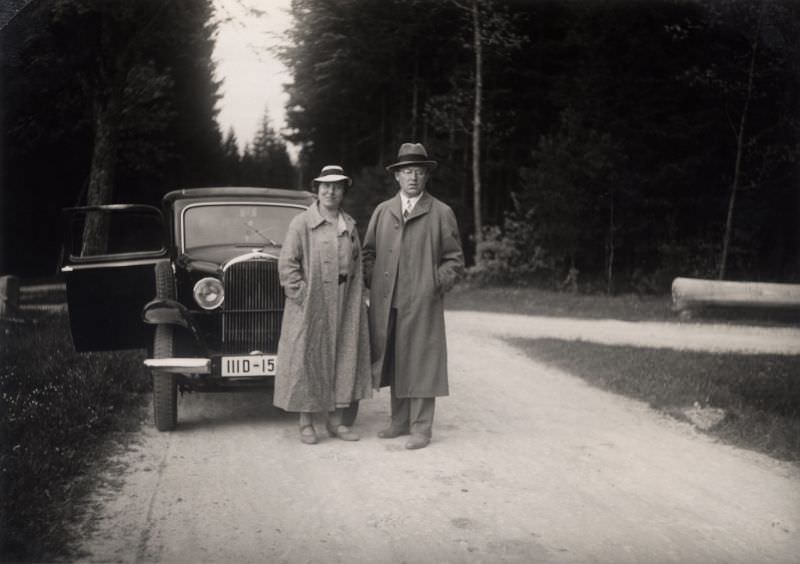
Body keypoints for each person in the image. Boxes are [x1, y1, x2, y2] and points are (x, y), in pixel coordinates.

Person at [363, 143, 464, 450]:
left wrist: (433, 283)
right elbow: (368, 253)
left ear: (426, 176)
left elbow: (455, 261)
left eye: (419, 172)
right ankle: (399, 421)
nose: (413, 178)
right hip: (387, 302)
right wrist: (375, 282)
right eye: (407, 172)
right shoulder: (383, 211)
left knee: (421, 362)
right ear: (397, 177)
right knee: (394, 359)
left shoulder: (441, 212)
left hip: (422, 303)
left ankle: (422, 427)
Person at [274, 165, 373, 444]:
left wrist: (358, 298)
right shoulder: (302, 223)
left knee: (343, 354)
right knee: (309, 355)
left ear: (344, 190)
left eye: (337, 186)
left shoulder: (350, 224)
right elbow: (288, 264)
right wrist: (304, 296)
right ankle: (306, 422)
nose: (331, 191)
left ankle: (336, 421)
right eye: (325, 186)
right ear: (317, 189)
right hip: (312, 302)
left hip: (345, 299)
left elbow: (357, 263)